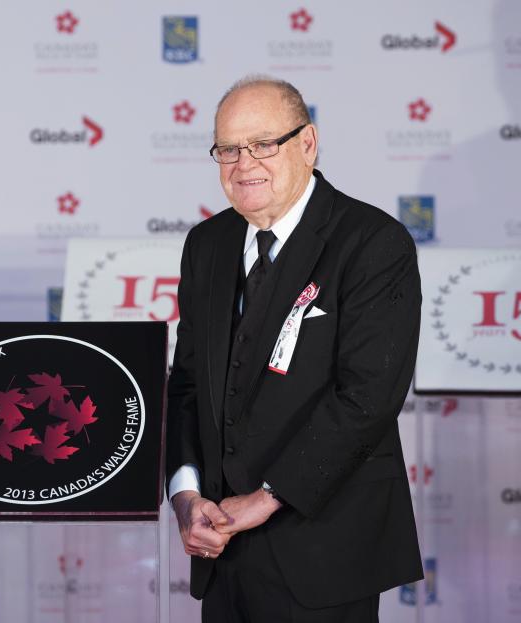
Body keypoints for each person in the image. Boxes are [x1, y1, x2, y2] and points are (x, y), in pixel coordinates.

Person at [166, 75, 423, 622]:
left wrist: (262, 500)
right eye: (228, 149)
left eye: (263, 144)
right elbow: (187, 381)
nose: (243, 163)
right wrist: (186, 496)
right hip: (221, 551)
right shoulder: (206, 245)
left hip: (323, 551)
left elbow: (368, 398)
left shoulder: (373, 243)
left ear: (307, 144)